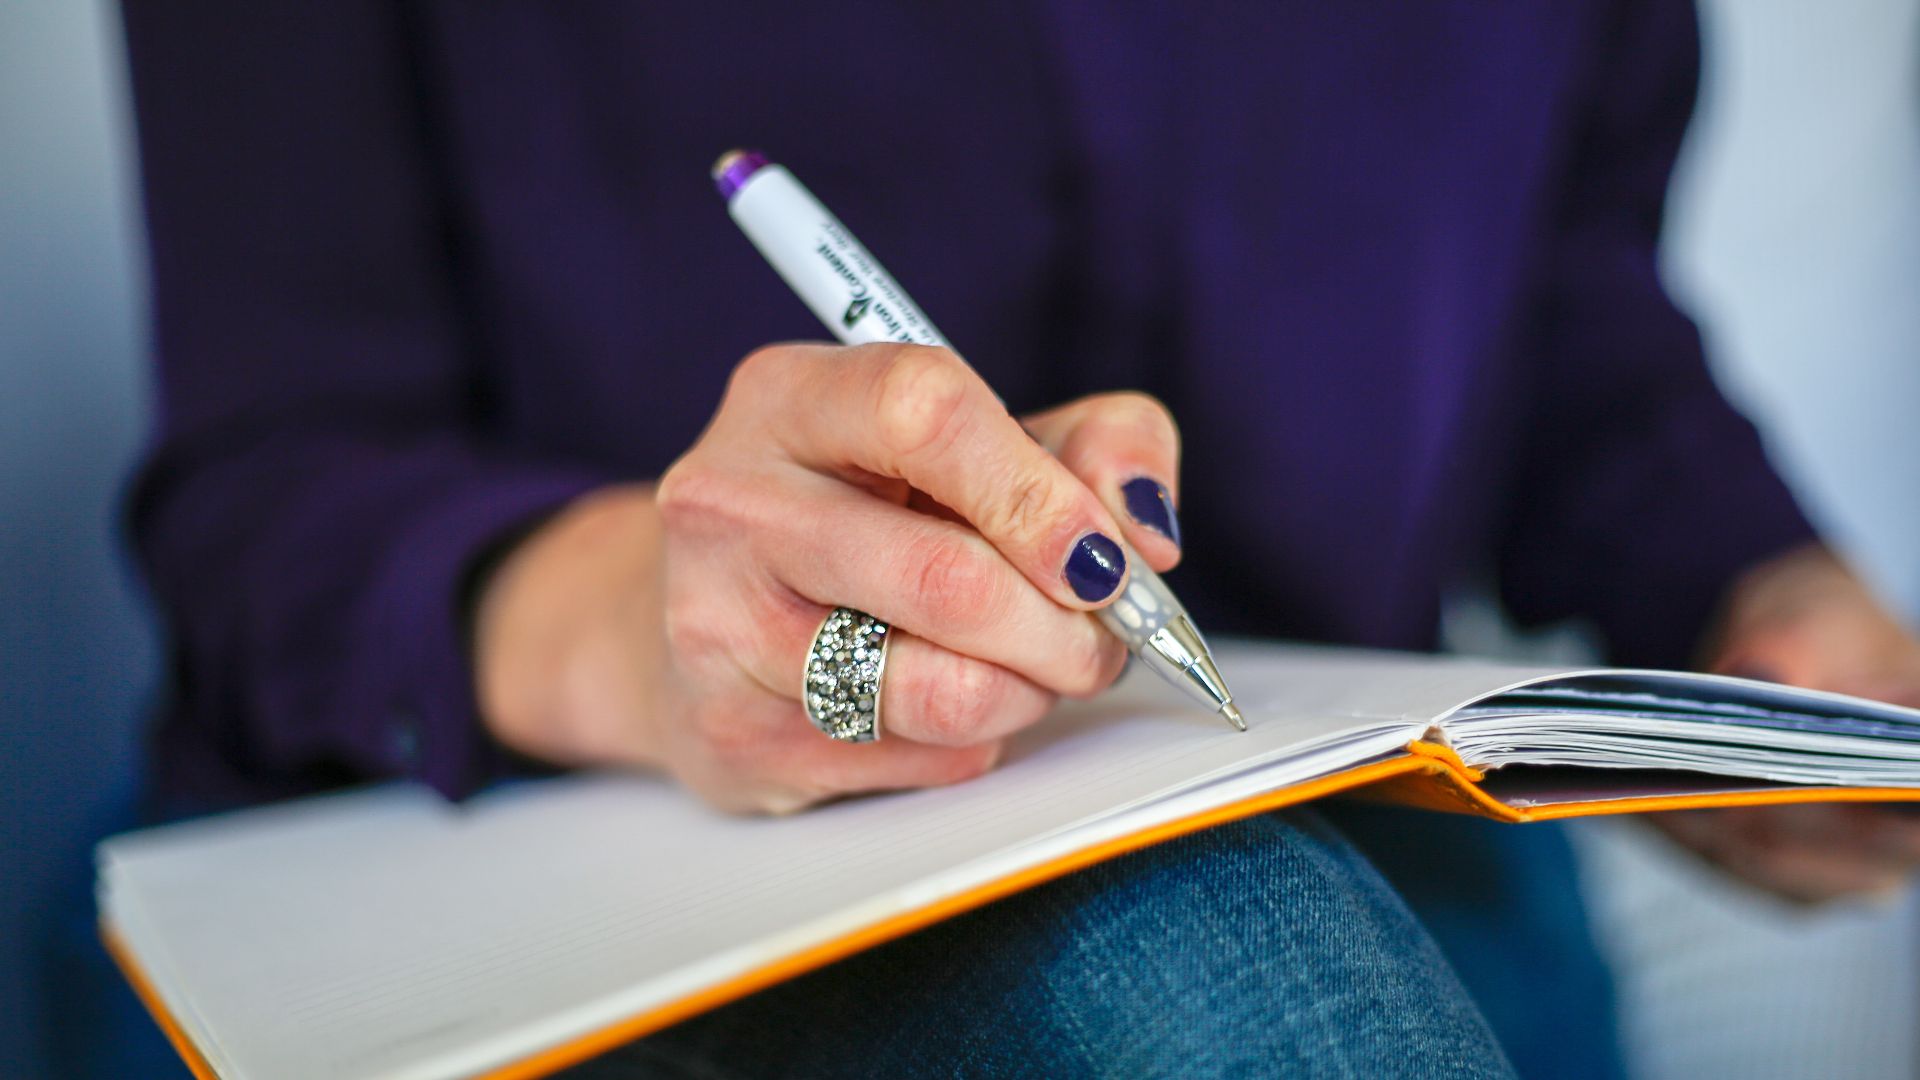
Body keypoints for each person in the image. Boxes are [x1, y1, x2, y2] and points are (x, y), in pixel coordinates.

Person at [114, 2, 1920, 1077]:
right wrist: (665, 640)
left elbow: (1555, 296)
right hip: (547, 834)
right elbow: (264, 486)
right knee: (1221, 973)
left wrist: (1748, 582)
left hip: (1370, 783)